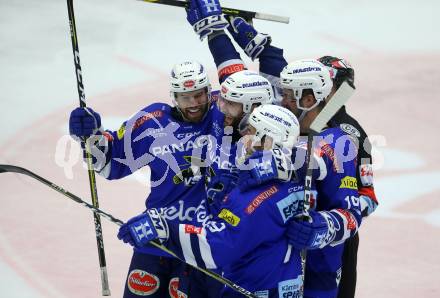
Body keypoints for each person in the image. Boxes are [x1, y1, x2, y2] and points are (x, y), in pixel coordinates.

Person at [225, 17, 379, 297]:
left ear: (313, 96)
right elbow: (254, 82)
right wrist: (244, 38)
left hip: (322, 263)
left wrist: (324, 227)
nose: (281, 100)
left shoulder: (347, 135)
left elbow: (364, 200)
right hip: (274, 264)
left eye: (288, 95)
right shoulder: (284, 120)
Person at [117, 103, 310, 298]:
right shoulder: (290, 182)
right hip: (275, 284)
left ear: (267, 140)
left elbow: (216, 247)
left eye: (250, 132)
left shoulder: (257, 198)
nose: (243, 136)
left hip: (251, 290)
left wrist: (162, 229)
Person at [69, 60, 227, 298]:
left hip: (197, 244)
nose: (194, 103)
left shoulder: (222, 113)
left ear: (208, 92)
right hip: (153, 238)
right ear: (174, 96)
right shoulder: (152, 120)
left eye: (199, 95)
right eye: (186, 97)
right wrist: (91, 134)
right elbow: (111, 164)